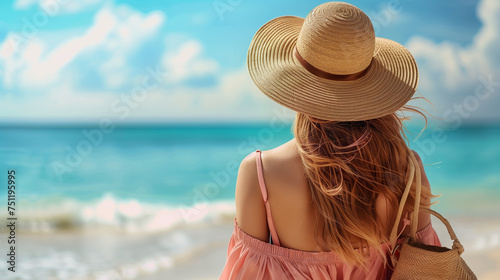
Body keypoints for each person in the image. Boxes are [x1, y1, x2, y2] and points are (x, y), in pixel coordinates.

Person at [220, 2, 441, 279]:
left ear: (296, 81)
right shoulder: (408, 170)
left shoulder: (260, 172)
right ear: (372, 85)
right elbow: (427, 270)